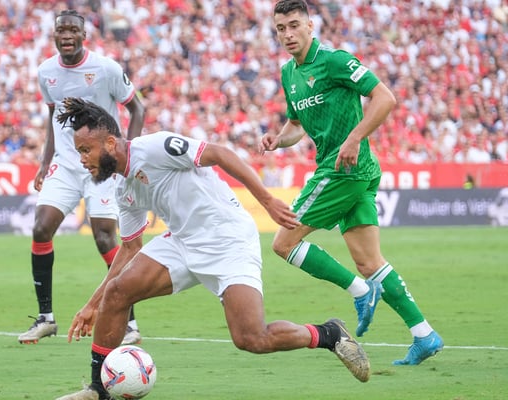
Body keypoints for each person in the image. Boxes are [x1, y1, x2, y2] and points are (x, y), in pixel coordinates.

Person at [54, 97, 371, 400]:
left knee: (251, 338)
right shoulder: (124, 187)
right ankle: (99, 390)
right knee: (116, 292)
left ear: (110, 143)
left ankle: (328, 333)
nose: (82, 159)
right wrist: (92, 304)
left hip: (227, 239)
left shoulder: (153, 147)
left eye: (86, 150)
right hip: (182, 241)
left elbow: (219, 153)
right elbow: (129, 248)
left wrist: (267, 200)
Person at [259, 0, 443, 366]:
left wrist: (355, 136)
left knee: (283, 242)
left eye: (294, 25)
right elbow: (295, 125)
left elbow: (385, 97)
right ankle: (424, 334)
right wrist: (278, 139)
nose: (288, 34)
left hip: (342, 169)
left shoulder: (335, 61)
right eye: (281, 28)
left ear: (310, 26)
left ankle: (360, 292)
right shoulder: (289, 73)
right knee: (369, 261)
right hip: (352, 170)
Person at [18, 10, 146, 346]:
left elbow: (138, 109)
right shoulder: (46, 72)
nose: (67, 35)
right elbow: (53, 117)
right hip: (65, 164)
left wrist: (128, 155)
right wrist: (45, 162)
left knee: (105, 238)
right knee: (40, 228)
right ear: (54, 35)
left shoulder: (106, 69)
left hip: (102, 166)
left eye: (73, 30)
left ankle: (129, 323)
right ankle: (46, 318)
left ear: (84, 35)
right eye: (61, 30)